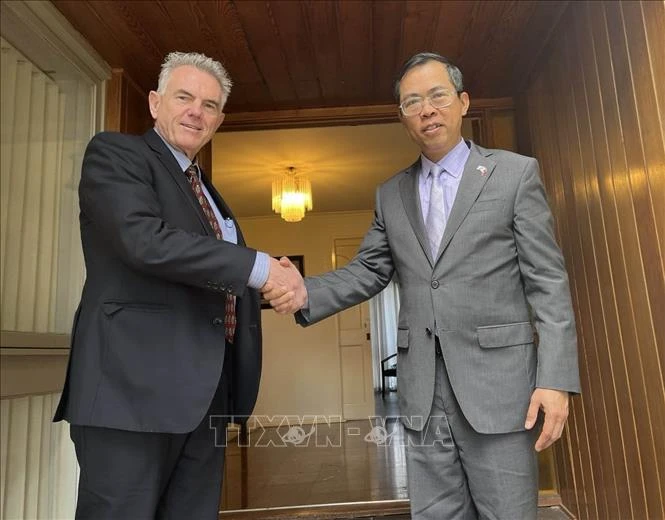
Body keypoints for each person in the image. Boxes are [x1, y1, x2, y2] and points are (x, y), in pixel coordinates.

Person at [263, 52, 580, 519]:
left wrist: (554, 379)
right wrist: (305, 291)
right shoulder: (391, 194)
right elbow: (369, 269)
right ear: (403, 118)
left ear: (463, 102)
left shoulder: (514, 174)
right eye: (413, 102)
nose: (427, 109)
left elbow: (548, 281)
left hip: (499, 387)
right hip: (422, 392)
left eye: (437, 96)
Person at [54, 51, 302, 519]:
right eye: (184, 97)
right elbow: (144, 241)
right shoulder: (116, 154)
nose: (196, 111)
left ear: (219, 119)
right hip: (131, 392)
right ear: (153, 102)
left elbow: (219, 277)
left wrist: (278, 283)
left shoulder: (206, 190)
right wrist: (260, 268)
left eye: (210, 105)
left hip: (207, 395)